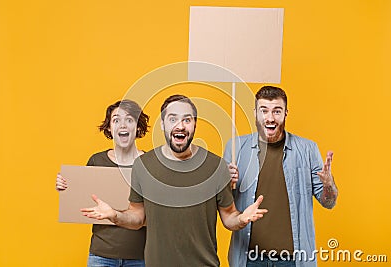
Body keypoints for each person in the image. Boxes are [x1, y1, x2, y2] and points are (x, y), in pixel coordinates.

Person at [81, 94, 269, 267]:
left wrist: (243, 219)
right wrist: (114, 215)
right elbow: (137, 218)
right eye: (172, 119)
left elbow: (229, 217)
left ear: (194, 125)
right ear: (162, 124)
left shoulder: (216, 166)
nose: (180, 126)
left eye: (186, 119)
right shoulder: (143, 166)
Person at [224, 86, 338, 267]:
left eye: (277, 111)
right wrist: (227, 185)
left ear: (286, 113)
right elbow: (225, 208)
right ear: (255, 113)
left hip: (293, 260)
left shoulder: (308, 149)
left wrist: (329, 185)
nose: (270, 118)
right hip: (249, 260)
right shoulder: (236, 147)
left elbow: (329, 202)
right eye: (264, 111)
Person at [56, 100, 149, 267]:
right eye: (116, 120)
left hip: (140, 257)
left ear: (138, 127)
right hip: (101, 255)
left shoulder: (150, 163)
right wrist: (66, 187)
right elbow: (81, 199)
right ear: (109, 129)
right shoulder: (96, 160)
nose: (123, 125)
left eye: (129, 119)